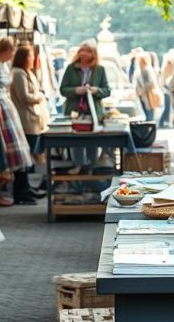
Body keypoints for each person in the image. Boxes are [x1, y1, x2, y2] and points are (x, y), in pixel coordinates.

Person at [0, 37, 35, 204]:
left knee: (17, 147)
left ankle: (23, 188)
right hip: (1, 106)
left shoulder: (3, 65)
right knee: (11, 147)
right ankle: (19, 190)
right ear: (6, 51)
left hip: (6, 105)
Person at [59, 39, 111, 172]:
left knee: (93, 143)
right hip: (75, 112)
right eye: (81, 50)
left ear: (93, 53)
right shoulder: (71, 68)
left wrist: (96, 90)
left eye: (87, 51)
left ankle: (92, 174)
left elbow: (107, 90)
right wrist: (76, 90)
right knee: (76, 144)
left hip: (93, 113)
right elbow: (63, 89)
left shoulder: (100, 69)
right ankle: (79, 173)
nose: (83, 53)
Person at [10, 45, 49, 204]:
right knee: (26, 158)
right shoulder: (19, 74)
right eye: (31, 56)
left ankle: (26, 189)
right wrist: (40, 95)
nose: (33, 59)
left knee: (28, 157)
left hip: (32, 120)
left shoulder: (25, 73)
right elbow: (26, 97)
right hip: (27, 121)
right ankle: (22, 191)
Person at [133, 54, 159, 121]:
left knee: (149, 115)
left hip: (149, 96)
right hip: (142, 96)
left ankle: (150, 129)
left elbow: (150, 83)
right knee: (147, 114)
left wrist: (142, 90)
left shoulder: (147, 70)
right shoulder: (139, 71)